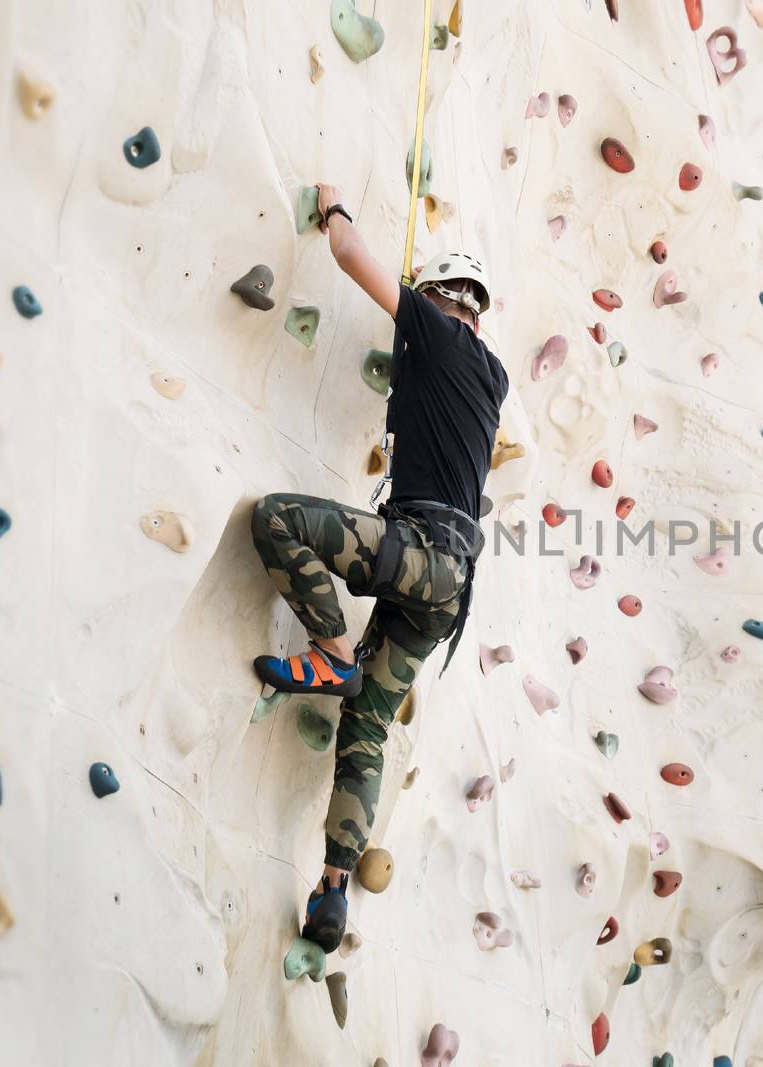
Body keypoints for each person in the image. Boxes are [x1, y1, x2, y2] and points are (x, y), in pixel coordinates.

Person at [247, 183, 508, 953]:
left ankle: (329, 653)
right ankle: (332, 888)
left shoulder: (434, 332)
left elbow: (352, 256)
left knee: (278, 519)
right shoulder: (491, 377)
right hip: (451, 588)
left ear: (435, 300)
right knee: (367, 723)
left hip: (417, 551)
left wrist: (335, 208)